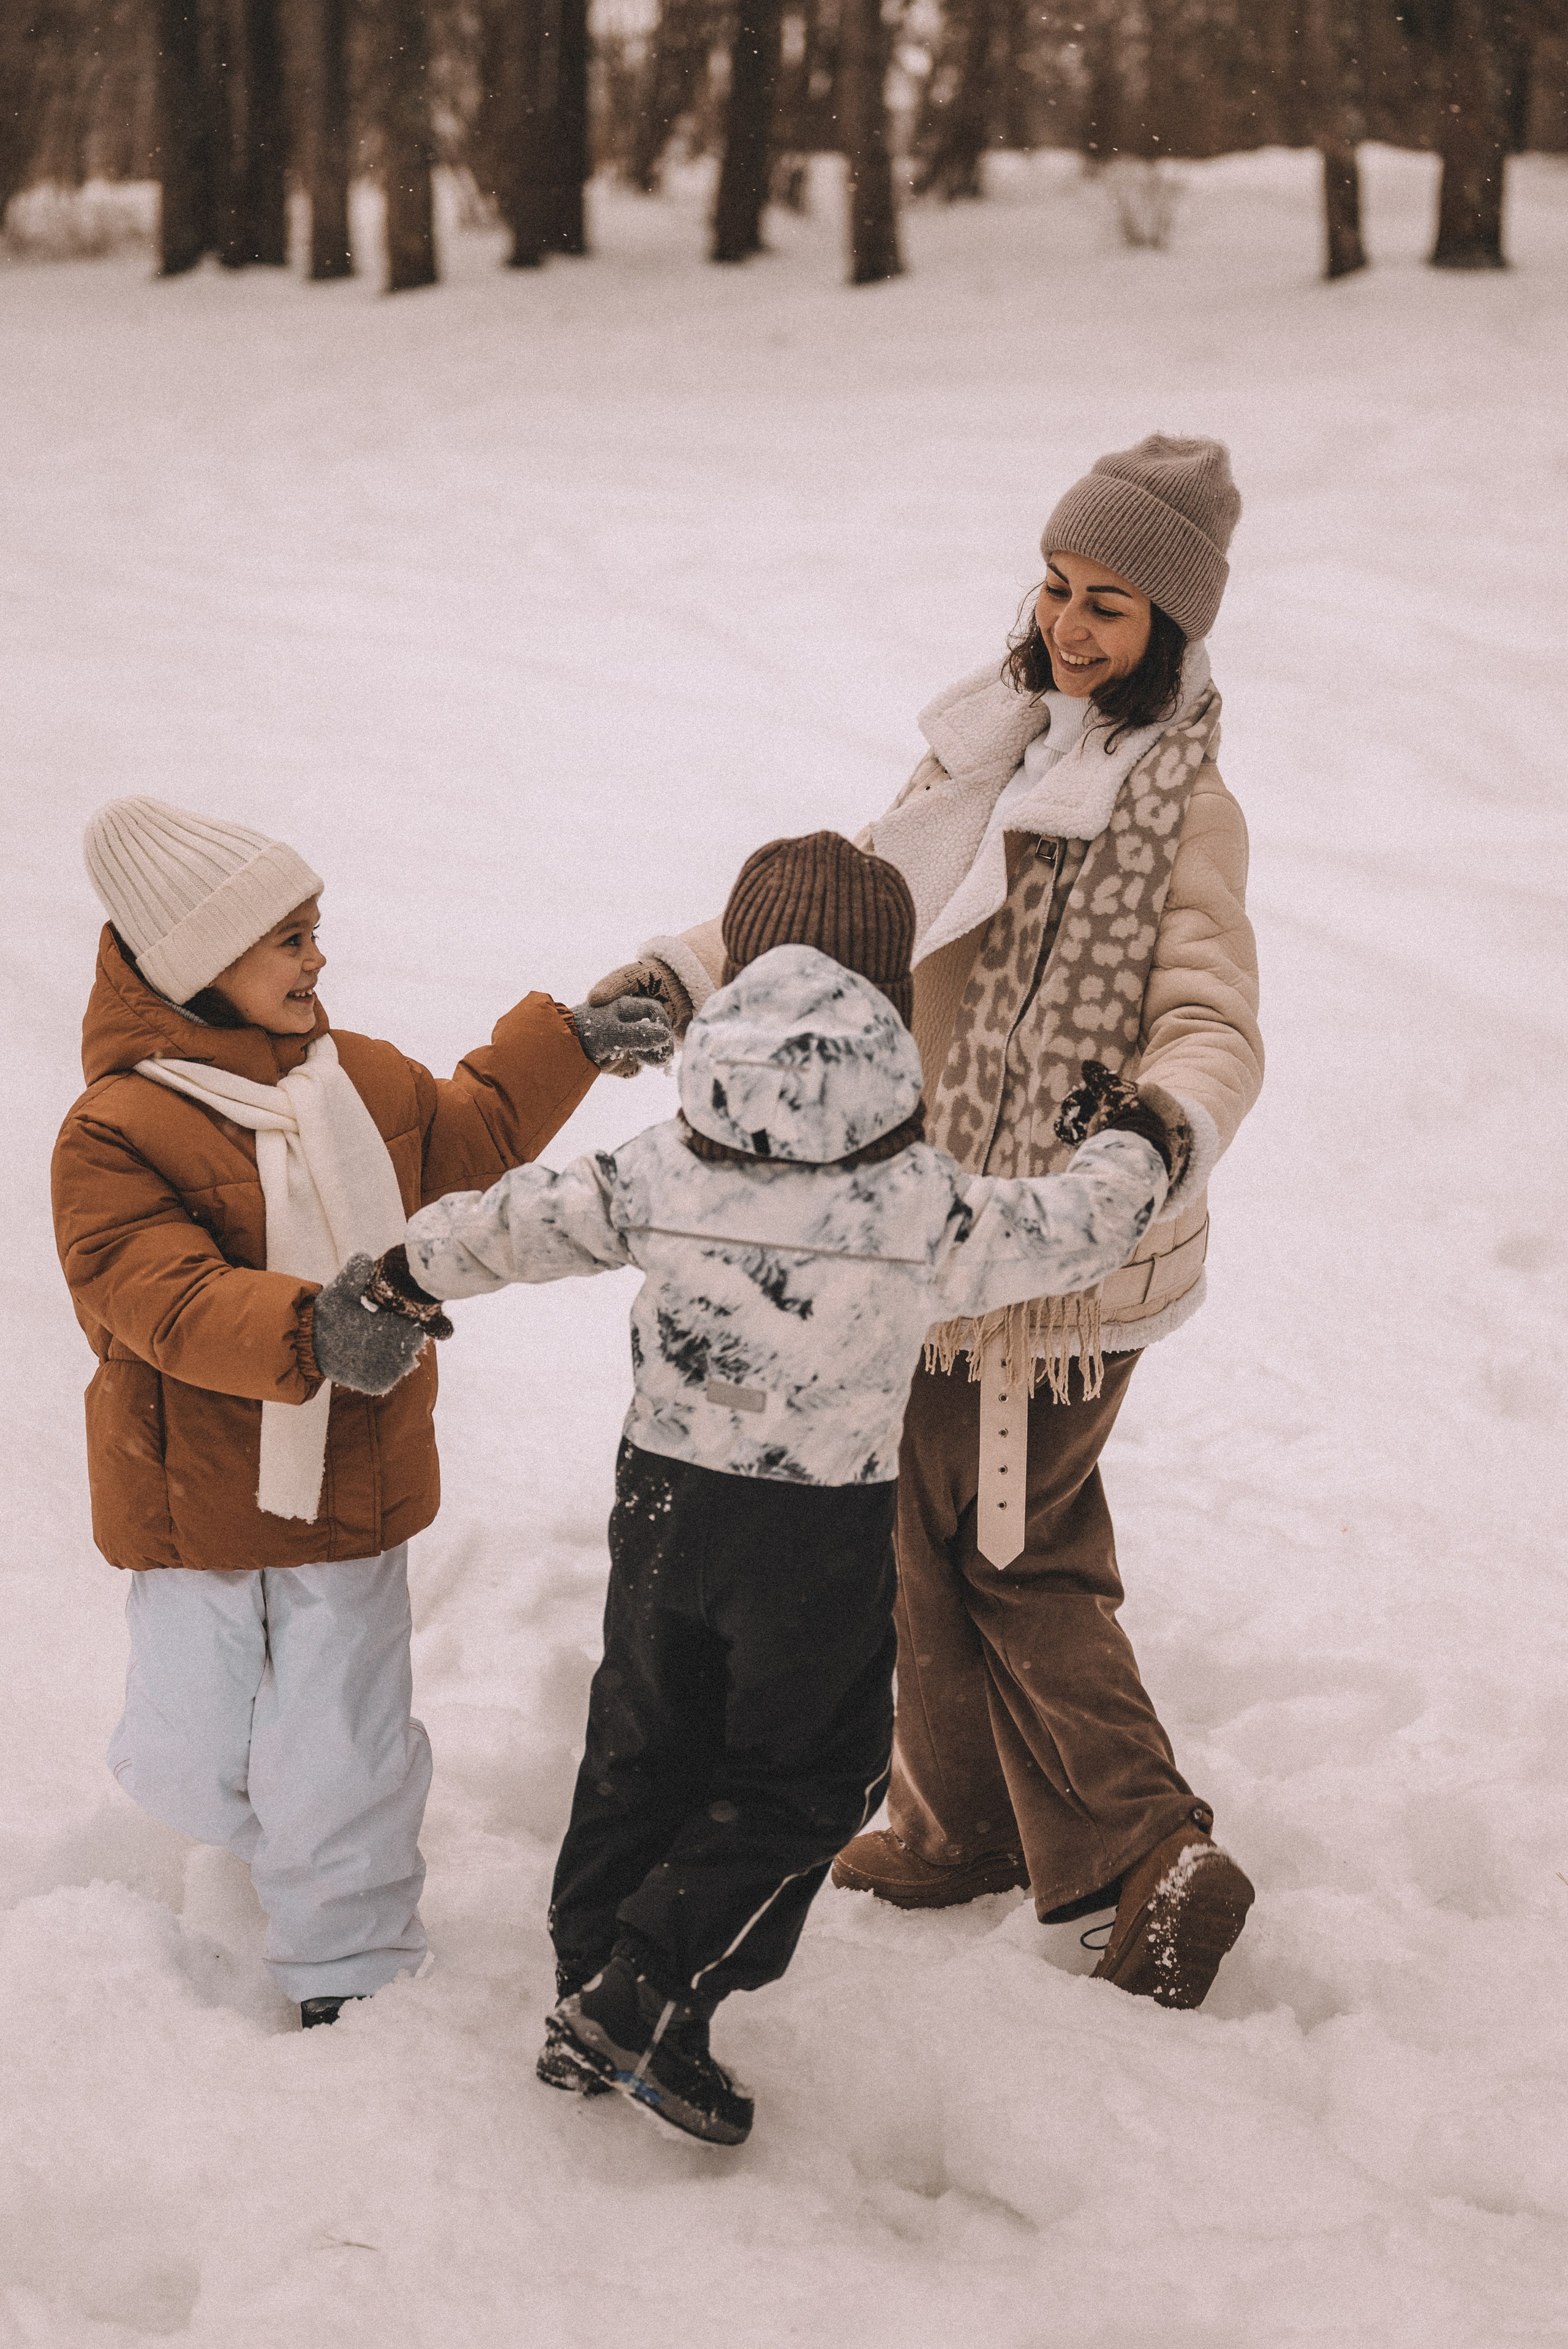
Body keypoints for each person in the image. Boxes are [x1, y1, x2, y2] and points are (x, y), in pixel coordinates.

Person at [584, 435, 1264, 2010]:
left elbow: (1208, 1012)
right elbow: (840, 906)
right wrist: (684, 973)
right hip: (926, 1221)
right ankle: (958, 1823)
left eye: (1110, 603)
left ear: (1169, 626)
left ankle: (1150, 1851)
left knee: (1017, 1547)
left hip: (1066, 1249)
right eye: (1057, 585)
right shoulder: (984, 755)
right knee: (908, 1522)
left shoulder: (1181, 809)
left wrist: (1159, 1128)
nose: (1069, 624)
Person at [394, 830, 1173, 2146]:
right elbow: (1073, 1229)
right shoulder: (912, 1199)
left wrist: (396, 1277)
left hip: (663, 1500)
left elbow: (518, 1219)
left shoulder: (666, 1160)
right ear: (890, 1002)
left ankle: (595, 1979)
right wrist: (1137, 1142)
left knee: (644, 1737)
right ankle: (650, 1990)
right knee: (814, 1772)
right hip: (809, 1527)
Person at [51, 795, 671, 2028]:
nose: (317, 959)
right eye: (288, 939)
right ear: (198, 961)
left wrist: (574, 1044)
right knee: (189, 1750)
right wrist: (314, 1328)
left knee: (343, 1744)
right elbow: (156, 1292)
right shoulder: (116, 1132)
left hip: (349, 1489)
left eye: (315, 930)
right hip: (194, 1506)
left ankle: (350, 1962)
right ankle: (259, 1846)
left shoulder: (357, 1081)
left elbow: (474, 1129)